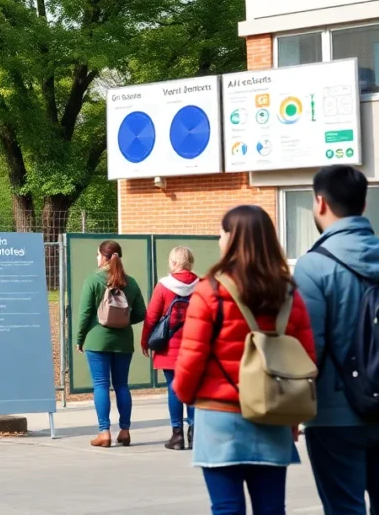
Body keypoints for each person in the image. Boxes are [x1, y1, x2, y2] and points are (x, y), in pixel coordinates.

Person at [293, 165, 379, 515]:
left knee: (344, 508)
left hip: (336, 416)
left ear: (320, 203)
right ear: (364, 206)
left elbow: (309, 348)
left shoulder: (312, 267)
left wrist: (294, 409)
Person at [173, 205, 316, 515]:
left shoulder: (210, 290)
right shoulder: (288, 293)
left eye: (223, 232)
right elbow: (307, 357)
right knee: (271, 508)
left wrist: (185, 396)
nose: (219, 239)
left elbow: (192, 355)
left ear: (233, 238)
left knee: (226, 507)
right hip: (274, 411)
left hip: (219, 413)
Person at [76, 240, 147, 448]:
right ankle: (125, 431)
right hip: (123, 341)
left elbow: (85, 313)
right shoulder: (130, 282)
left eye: (98, 255)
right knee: (122, 385)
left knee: (101, 385)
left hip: (96, 340)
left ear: (104, 257)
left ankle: (104, 432)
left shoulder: (93, 280)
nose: (97, 258)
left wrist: (80, 338)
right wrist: (124, 320)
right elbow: (141, 312)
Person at [142, 246, 198, 450]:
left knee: (174, 388)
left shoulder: (164, 286)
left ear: (174, 263)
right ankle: (195, 433)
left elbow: (151, 317)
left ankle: (177, 436)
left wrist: (145, 340)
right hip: (194, 346)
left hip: (170, 347)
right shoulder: (201, 285)